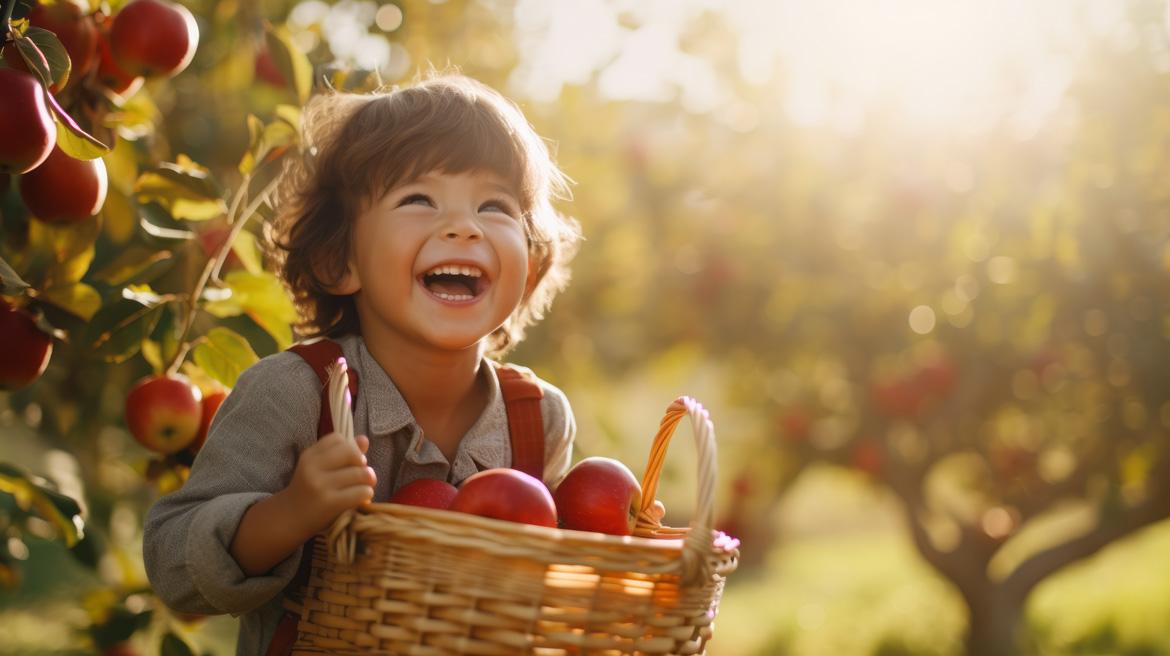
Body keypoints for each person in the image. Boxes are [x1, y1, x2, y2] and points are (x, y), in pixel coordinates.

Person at [143, 73, 581, 655]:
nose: (463, 226)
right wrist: (289, 513)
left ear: (528, 265)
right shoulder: (292, 394)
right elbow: (173, 560)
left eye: (494, 205)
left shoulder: (538, 418)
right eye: (418, 199)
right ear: (337, 260)